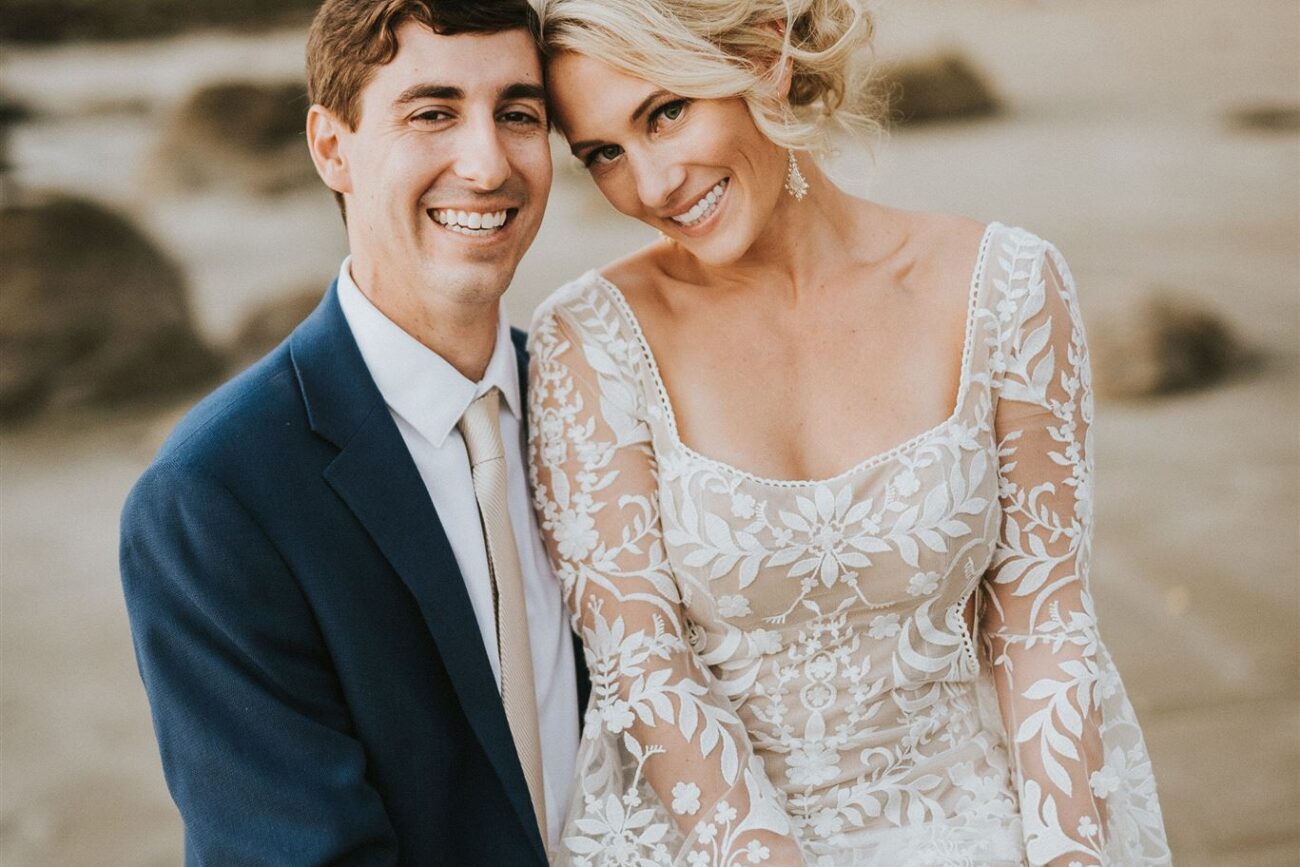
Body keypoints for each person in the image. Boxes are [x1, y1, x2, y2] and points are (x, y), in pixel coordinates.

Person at [524, 0, 1171, 864]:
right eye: (603, 153)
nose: (650, 185)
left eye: (665, 113)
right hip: (717, 841)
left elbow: (1042, 626)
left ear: (763, 57)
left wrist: (1068, 854)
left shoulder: (1007, 287)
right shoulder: (590, 341)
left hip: (980, 823)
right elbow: (644, 670)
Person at [118, 1, 586, 863]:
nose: (487, 162)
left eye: (518, 114)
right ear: (332, 147)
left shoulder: (601, 401)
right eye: (433, 113)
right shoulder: (214, 496)